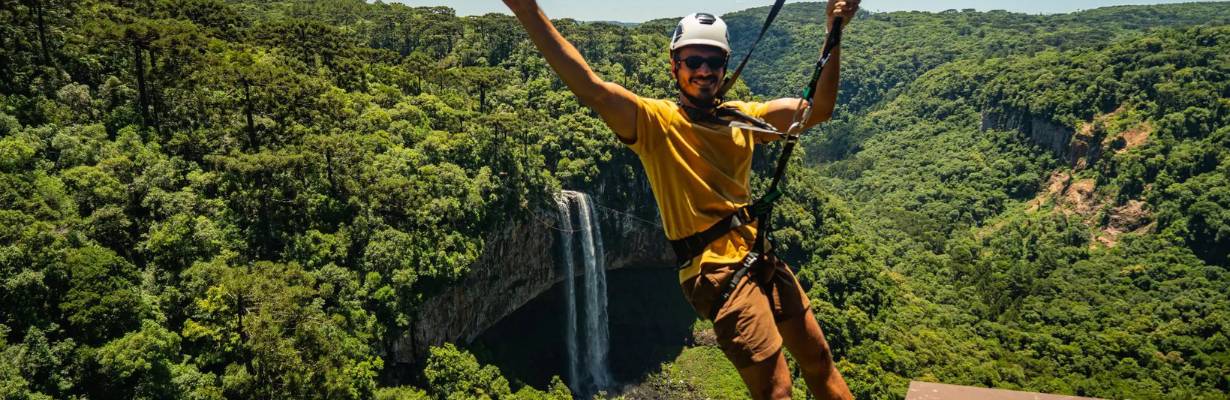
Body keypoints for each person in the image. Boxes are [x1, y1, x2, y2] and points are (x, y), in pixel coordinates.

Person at [502, 1, 859, 398]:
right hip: (716, 273)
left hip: (761, 255)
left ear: (725, 67)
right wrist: (526, 9)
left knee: (819, 360)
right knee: (777, 389)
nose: (704, 70)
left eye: (714, 61)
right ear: (675, 67)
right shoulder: (655, 123)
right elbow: (591, 88)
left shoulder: (744, 118)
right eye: (694, 61)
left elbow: (818, 110)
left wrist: (834, 29)